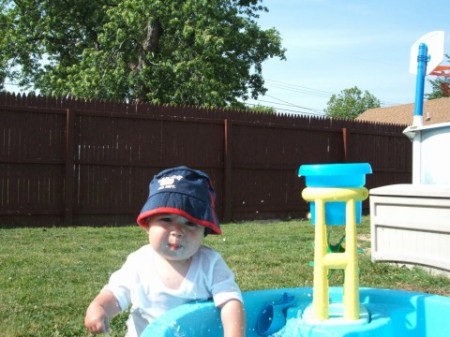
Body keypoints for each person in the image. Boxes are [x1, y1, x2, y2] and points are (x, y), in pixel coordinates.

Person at [84, 166, 246, 337]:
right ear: (147, 225)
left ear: (204, 232)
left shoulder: (210, 264)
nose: (177, 230)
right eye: (166, 219)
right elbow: (116, 295)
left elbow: (231, 301)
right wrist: (99, 307)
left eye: (190, 223)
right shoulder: (139, 262)